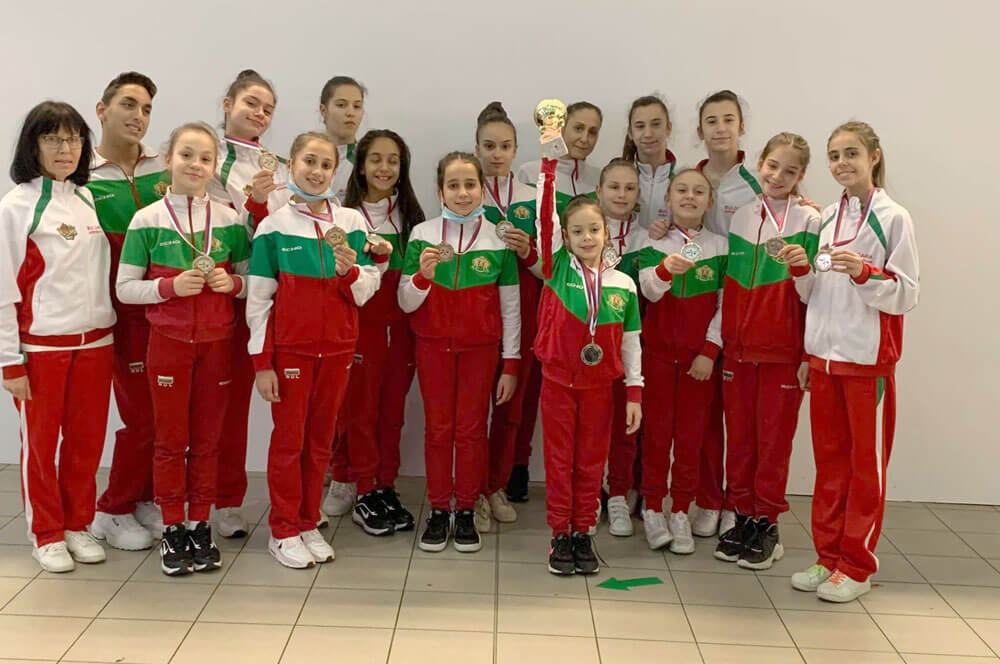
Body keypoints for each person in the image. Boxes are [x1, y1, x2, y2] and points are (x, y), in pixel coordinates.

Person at [790, 121, 919, 603]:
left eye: (851, 153)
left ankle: (857, 566)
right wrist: (800, 269)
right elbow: (817, 291)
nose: (841, 163)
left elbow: (907, 293)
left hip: (867, 363)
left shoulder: (894, 217)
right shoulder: (826, 217)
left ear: (874, 157)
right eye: (834, 155)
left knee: (866, 469)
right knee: (830, 466)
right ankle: (828, 558)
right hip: (825, 362)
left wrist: (865, 273)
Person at [247, 131, 388, 567]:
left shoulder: (352, 223)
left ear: (335, 171)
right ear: (291, 165)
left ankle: (307, 522)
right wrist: (262, 363)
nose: (317, 171)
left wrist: (350, 273)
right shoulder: (273, 227)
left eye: (326, 164)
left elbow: (367, 289)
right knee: (289, 442)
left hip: (339, 349)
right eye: (309, 161)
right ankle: (282, 529)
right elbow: (258, 300)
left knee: (321, 441)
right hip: (291, 352)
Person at [117, 121, 250, 576]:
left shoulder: (230, 220)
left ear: (214, 167)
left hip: (217, 345)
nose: (195, 164)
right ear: (169, 158)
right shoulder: (147, 220)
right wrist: (168, 288)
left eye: (205, 158)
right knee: (171, 442)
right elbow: (124, 288)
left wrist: (233, 284)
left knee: (209, 442)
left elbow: (253, 282)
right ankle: (173, 526)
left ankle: (200, 524)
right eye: (187, 155)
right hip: (168, 345)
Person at [0, 101, 116, 572]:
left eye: (73, 139)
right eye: (53, 139)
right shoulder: (16, 206)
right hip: (42, 348)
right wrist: (10, 361)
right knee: (41, 446)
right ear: (34, 146)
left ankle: (76, 525)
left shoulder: (86, 199)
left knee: (86, 444)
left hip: (97, 343)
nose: (65, 148)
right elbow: (3, 288)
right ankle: (46, 533)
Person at [528, 128, 642, 575]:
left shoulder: (623, 284)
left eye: (594, 229)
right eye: (577, 231)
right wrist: (548, 167)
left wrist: (634, 392)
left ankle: (583, 532)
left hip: (599, 387)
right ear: (566, 237)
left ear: (606, 232)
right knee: (560, 461)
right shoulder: (557, 269)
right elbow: (544, 219)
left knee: (591, 462)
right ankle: (560, 533)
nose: (587, 237)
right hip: (558, 382)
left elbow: (631, 341)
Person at [398, 152, 520, 554]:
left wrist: (511, 362)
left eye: (470, 184)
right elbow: (405, 301)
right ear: (440, 192)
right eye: (453, 185)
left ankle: (466, 508)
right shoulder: (423, 235)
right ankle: (438, 508)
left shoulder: (498, 239)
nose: (463, 193)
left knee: (471, 430)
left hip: (480, 351)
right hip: (433, 348)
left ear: (482, 189)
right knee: (438, 430)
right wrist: (422, 277)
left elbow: (511, 306)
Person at [714, 133, 819, 570]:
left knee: (773, 443)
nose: (778, 176)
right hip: (738, 352)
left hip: (782, 353)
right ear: (760, 163)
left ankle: (767, 525)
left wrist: (808, 356)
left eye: (790, 171)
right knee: (739, 441)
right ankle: (742, 518)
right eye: (772, 166)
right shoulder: (741, 216)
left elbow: (815, 294)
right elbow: (726, 283)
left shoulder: (811, 220)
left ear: (800, 176)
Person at [206, 69, 290, 538]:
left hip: (263, 296)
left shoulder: (281, 165)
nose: (259, 114)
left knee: (241, 408)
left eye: (268, 109)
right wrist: (253, 207)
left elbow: (282, 229)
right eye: (251, 103)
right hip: (216, 292)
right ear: (227, 103)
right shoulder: (207, 155)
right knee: (211, 408)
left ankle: (230, 500)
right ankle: (192, 501)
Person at [87, 71, 168, 551]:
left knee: (164, 415)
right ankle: (110, 510)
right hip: (118, 317)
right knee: (141, 418)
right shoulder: (82, 176)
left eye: (147, 109)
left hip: (165, 311)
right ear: (102, 110)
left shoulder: (164, 167)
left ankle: (144, 497)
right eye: (129, 105)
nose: (139, 116)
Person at [329, 129, 424, 535]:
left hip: (401, 333)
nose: (385, 168)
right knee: (360, 413)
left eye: (393, 160)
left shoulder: (412, 219)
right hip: (359, 331)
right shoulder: (343, 216)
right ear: (361, 166)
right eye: (376, 159)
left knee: (392, 414)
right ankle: (362, 487)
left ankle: (384, 485)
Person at [637, 168, 725, 554]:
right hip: (656, 358)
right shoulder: (651, 241)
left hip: (698, 364)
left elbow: (725, 307)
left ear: (710, 202)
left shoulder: (721, 247)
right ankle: (654, 508)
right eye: (682, 190)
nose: (690, 197)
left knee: (691, 439)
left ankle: (681, 511)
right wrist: (664, 270)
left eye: (699, 191)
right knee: (656, 436)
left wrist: (709, 351)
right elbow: (649, 293)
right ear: (667, 199)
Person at [474, 102, 539, 528]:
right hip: (478, 311)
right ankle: (471, 488)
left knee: (510, 405)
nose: (497, 154)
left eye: (505, 146)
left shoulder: (534, 198)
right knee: (473, 407)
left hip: (525, 311)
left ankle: (496, 484)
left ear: (516, 150)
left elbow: (551, 267)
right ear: (477, 148)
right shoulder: (465, 191)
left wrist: (528, 251)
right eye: (489, 146)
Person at [515, 101, 602, 212]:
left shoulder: (600, 178)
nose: (585, 139)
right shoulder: (530, 173)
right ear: (561, 128)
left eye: (592, 132)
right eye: (578, 128)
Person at [622, 95, 677, 229]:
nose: (648, 134)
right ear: (630, 132)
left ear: (668, 128)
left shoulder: (682, 179)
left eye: (656, 124)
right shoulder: (618, 179)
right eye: (640, 126)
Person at [319, 75, 366, 202]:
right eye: (341, 105)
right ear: (323, 110)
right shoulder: (303, 158)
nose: (350, 113)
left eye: (357, 106)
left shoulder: (365, 163)